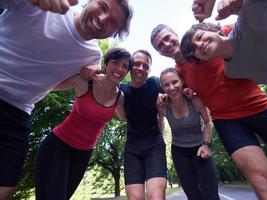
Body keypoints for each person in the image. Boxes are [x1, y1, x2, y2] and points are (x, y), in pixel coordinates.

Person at [151, 24, 267, 200]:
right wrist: (164, 97)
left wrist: (219, 25)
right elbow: (174, 91)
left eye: (168, 38)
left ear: (176, 34)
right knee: (260, 178)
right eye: (161, 45)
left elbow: (240, 27)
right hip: (227, 121)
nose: (166, 44)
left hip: (259, 107)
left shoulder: (203, 40)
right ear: (160, 53)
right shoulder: (179, 74)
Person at [0, 0, 132, 198]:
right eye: (102, 6)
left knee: (5, 190)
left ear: (114, 33)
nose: (103, 19)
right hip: (58, 144)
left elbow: (60, 83)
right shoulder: (48, 6)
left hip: (19, 112)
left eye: (113, 22)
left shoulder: (92, 57)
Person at [34, 47, 132, 200]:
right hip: (58, 146)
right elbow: (52, 85)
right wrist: (80, 68)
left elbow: (125, 117)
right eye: (115, 62)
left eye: (125, 66)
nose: (120, 68)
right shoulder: (85, 81)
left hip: (83, 154)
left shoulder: (120, 97)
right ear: (105, 64)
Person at [190, 0, 267, 84]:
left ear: (214, 30)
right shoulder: (232, 72)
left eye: (199, 37)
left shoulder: (248, 18)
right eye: (194, 49)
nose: (199, 45)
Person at [158, 67, 220, 200]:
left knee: (211, 195)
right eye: (166, 85)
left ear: (181, 81)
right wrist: (159, 113)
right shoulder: (163, 105)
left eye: (174, 82)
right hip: (179, 152)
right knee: (193, 195)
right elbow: (160, 127)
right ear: (162, 88)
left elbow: (208, 122)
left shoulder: (194, 99)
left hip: (200, 148)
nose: (171, 87)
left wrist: (206, 144)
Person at [116, 50, 167, 200]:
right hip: (132, 147)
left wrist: (164, 99)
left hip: (154, 145)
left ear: (149, 70)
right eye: (137, 64)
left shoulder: (155, 83)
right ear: (130, 66)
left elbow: (173, 91)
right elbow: (122, 117)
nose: (141, 68)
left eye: (145, 66)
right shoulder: (122, 89)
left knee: (156, 196)